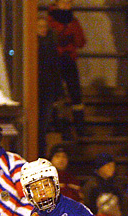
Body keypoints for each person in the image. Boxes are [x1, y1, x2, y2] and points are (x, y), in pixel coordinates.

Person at [47, 0, 88, 137]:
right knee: (57, 95)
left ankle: (80, 127)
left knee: (76, 95)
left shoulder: (73, 21)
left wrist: (70, 32)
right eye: (63, 2)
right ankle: (59, 126)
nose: (66, 6)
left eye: (68, 3)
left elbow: (80, 42)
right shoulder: (50, 19)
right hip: (56, 60)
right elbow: (55, 39)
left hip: (69, 59)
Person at [37, 13, 63, 156]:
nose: (43, 29)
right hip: (38, 90)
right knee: (39, 125)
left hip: (48, 90)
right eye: (40, 26)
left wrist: (58, 91)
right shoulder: (34, 46)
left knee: (43, 125)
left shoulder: (50, 44)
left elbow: (55, 69)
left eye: (44, 26)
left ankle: (41, 151)